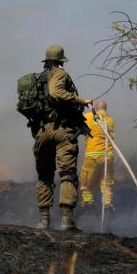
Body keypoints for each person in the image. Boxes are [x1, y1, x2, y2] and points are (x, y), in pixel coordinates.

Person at [32, 44, 92, 231]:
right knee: (67, 173)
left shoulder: (39, 78)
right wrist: (82, 101)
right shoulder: (60, 74)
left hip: (42, 132)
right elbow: (56, 92)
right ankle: (66, 221)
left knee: (44, 175)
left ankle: (43, 221)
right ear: (60, 60)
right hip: (62, 130)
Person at [81, 101, 115, 209]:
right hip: (107, 155)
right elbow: (112, 137)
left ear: (95, 107)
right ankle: (107, 203)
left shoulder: (89, 116)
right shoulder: (110, 120)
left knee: (86, 179)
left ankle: (87, 202)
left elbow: (79, 124)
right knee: (106, 181)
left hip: (93, 154)